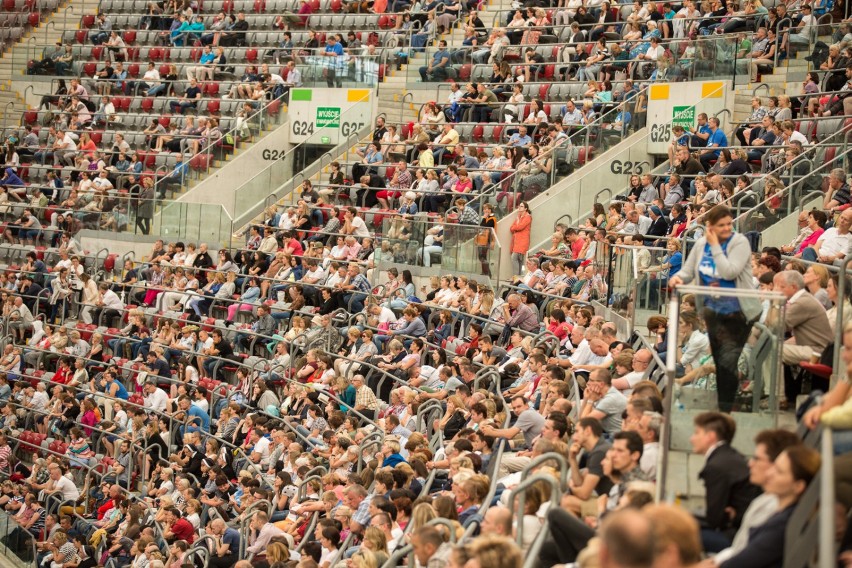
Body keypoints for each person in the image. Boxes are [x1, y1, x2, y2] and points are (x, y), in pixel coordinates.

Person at [670, 205, 758, 412]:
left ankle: (725, 409)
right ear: (710, 226)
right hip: (713, 309)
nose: (727, 228)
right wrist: (678, 278)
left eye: (729, 223)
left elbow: (729, 272)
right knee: (720, 361)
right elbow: (688, 271)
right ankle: (722, 406)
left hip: (739, 310)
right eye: (721, 225)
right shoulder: (701, 245)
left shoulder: (740, 242)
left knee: (729, 360)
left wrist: (716, 246)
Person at [690, 412, 760, 553]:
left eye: (697, 433)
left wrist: (728, 517)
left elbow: (714, 519)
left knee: (676, 533)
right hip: (743, 529)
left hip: (737, 536)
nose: (692, 438)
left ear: (711, 436)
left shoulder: (716, 466)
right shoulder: (729, 456)